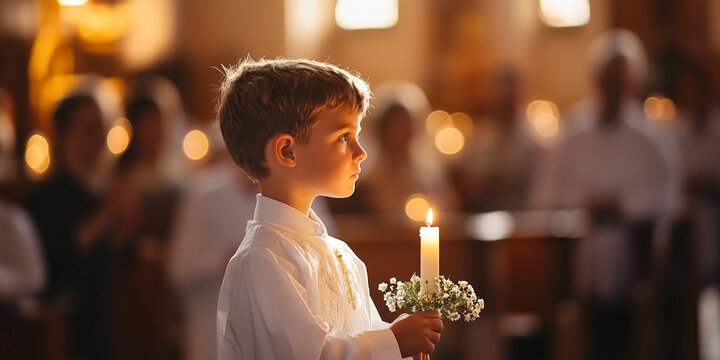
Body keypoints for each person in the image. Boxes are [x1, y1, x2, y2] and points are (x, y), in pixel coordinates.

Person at [215, 58, 443, 359]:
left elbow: (363, 335)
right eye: (344, 137)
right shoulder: (262, 259)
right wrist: (393, 342)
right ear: (288, 151)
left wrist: (404, 345)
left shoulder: (341, 254)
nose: (361, 153)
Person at [25, 94, 112, 359]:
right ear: (64, 136)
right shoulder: (46, 197)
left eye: (100, 127)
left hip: (106, 323)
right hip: (67, 333)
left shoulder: (98, 192)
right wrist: (111, 212)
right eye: (87, 128)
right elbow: (64, 251)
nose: (97, 137)